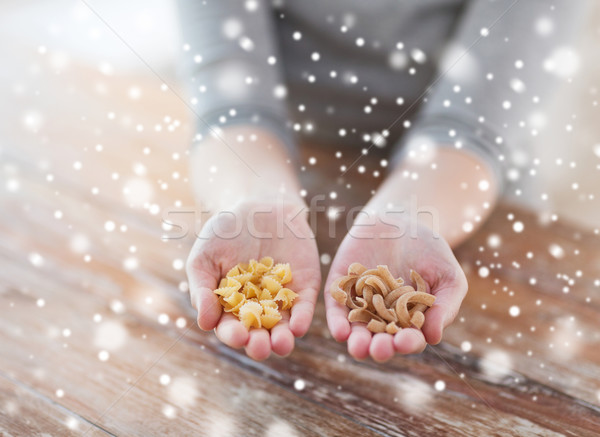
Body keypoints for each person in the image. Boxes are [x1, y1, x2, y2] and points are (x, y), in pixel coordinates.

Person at [178, 0, 588, 362]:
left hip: (458, 191)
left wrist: (406, 215)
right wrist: (259, 198)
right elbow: (232, 106)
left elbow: (471, 129)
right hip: (290, 160)